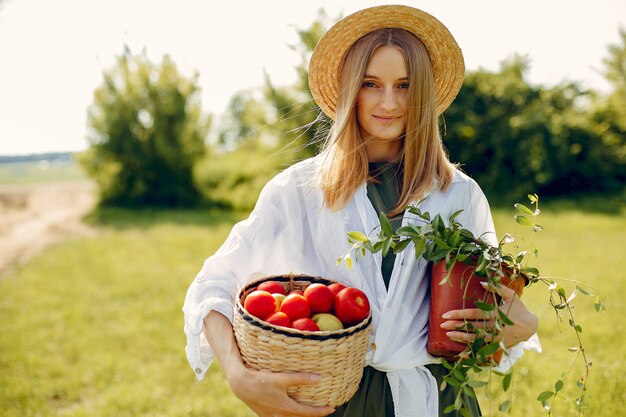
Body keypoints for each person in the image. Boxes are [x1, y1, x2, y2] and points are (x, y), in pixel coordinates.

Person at [183, 5, 540, 417]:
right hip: (332, 401)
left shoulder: (458, 194)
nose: (388, 102)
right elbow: (214, 286)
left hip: (435, 401)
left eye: (405, 85)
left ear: (423, 91)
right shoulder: (299, 190)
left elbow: (486, 311)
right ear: (351, 88)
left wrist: (521, 327)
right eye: (371, 83)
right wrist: (238, 375)